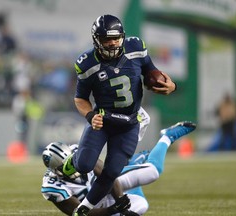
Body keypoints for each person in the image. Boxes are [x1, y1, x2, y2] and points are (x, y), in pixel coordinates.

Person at [71, 14, 177, 215]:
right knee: (84, 164)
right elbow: (80, 98)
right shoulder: (86, 63)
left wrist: (171, 84)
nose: (112, 44)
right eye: (106, 39)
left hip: (129, 123)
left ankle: (83, 209)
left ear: (123, 37)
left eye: (115, 38)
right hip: (102, 121)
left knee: (112, 172)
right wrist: (90, 115)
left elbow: (152, 72)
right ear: (96, 40)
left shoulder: (136, 48)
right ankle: (72, 159)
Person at [41, 121, 196, 215]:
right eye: (65, 168)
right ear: (55, 171)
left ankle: (167, 136)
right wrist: (115, 209)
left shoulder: (78, 151)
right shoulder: (52, 187)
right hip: (98, 206)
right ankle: (132, 163)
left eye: (71, 162)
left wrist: (120, 199)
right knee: (141, 207)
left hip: (107, 184)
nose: (72, 168)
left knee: (153, 172)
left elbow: (107, 174)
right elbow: (80, 213)